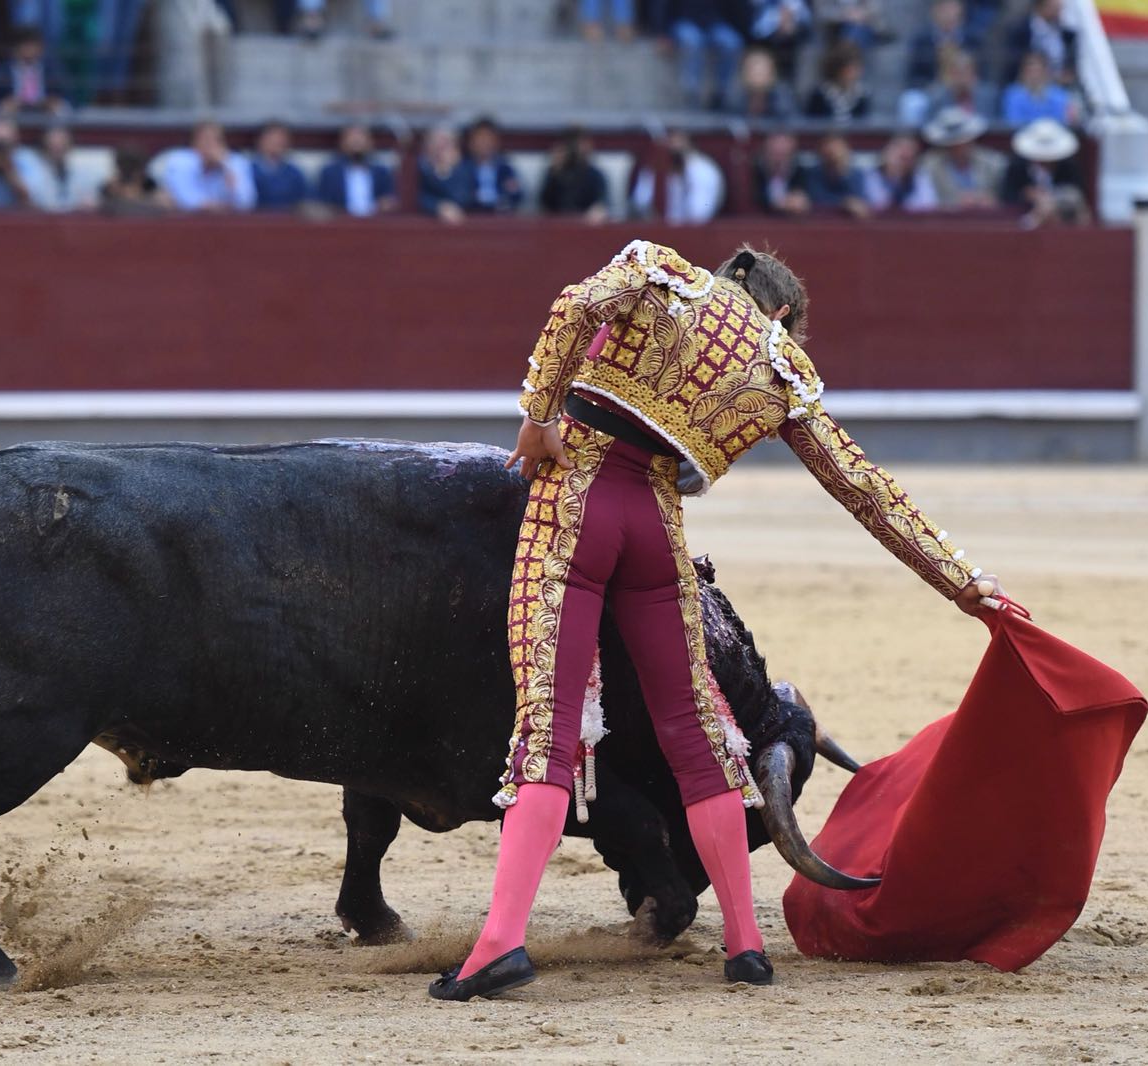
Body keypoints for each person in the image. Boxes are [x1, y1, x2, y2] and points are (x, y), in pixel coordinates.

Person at [429, 239, 1002, 1001]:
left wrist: (538, 418)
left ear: (734, 277)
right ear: (784, 311)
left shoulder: (660, 272)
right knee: (699, 737)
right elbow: (865, 489)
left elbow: (574, 306)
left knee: (549, 728)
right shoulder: (783, 369)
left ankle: (499, 945)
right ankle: (744, 942)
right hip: (656, 530)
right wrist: (963, 581)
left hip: (577, 500)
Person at [1000, 118, 1090, 227]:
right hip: (1023, 214)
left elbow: (1078, 194)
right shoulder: (1017, 168)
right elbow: (1006, 197)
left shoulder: (1068, 167)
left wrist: (1054, 200)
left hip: (1064, 218)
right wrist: (1027, 194)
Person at [629, 129, 724, 223]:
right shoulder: (653, 167)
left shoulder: (702, 169)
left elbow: (699, 213)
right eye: (669, 138)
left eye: (677, 138)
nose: (672, 143)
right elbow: (640, 201)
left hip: (690, 231)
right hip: (658, 229)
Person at [160, 120, 256, 213]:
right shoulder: (180, 161)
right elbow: (188, 202)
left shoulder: (235, 162)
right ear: (194, 143)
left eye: (216, 140)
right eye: (204, 140)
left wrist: (226, 167)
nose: (210, 145)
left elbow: (246, 202)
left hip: (229, 223)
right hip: (190, 223)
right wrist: (222, 207)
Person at [667, 0, 746, 110]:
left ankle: (720, 94)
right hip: (684, 21)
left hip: (714, 23)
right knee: (693, 41)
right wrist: (661, 32)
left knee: (732, 44)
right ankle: (691, 93)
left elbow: (736, 7)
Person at [920, 106, 1003, 210]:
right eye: (953, 144)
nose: (958, 146)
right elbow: (927, 202)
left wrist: (986, 200)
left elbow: (1001, 197)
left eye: (962, 142)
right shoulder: (930, 165)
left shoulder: (993, 162)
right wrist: (955, 202)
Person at [898, 46, 994, 126]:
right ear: (950, 75)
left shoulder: (987, 95)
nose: (962, 78)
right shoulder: (937, 96)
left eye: (965, 73)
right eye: (958, 73)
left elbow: (990, 124)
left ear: (974, 74)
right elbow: (932, 126)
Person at [316, 123, 396, 217]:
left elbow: (390, 198)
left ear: (370, 143)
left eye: (361, 138)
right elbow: (320, 202)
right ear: (342, 143)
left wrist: (386, 204)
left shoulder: (381, 172)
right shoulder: (330, 172)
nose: (356, 142)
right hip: (340, 223)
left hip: (375, 223)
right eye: (352, 138)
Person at [0, 25, 65, 112]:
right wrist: (4, 104)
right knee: (2, 121)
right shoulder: (1, 71)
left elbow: (68, 98)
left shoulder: (53, 70)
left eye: (33, 45)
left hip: (46, 114)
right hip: (13, 115)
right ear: (16, 47)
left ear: (41, 48)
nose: (30, 49)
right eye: (26, 45)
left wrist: (54, 102)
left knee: (59, 113)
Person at [538, 128, 608, 222]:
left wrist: (597, 209)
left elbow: (600, 202)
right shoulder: (553, 173)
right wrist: (556, 174)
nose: (581, 148)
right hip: (556, 223)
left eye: (584, 143)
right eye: (577, 144)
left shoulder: (594, 174)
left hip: (586, 222)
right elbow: (544, 204)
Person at [905, 0, 977, 88]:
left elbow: (980, 72)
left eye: (952, 8)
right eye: (944, 9)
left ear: (961, 10)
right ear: (935, 11)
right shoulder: (922, 41)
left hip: (966, 90)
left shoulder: (973, 39)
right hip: (929, 89)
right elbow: (914, 75)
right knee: (912, 99)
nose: (949, 14)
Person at [459, 117, 523, 215]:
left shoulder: (505, 168)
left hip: (500, 218)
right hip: (471, 218)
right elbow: (460, 196)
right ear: (471, 142)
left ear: (496, 142)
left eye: (488, 138)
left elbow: (517, 195)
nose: (484, 143)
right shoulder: (462, 168)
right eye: (480, 138)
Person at [29, 126, 97, 212]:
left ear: (69, 146)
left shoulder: (83, 172)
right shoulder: (33, 171)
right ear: (45, 146)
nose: (58, 150)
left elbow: (89, 201)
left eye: (62, 146)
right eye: (53, 146)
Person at [1004, 0, 1073, 85]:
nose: (1060, 12)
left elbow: (1070, 60)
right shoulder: (1020, 29)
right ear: (1041, 7)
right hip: (1026, 82)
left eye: (1060, 8)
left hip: (1059, 84)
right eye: (1055, 8)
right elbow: (1012, 57)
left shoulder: (1066, 33)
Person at [861, 133, 936, 212]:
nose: (905, 154)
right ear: (886, 151)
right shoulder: (867, 176)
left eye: (907, 157)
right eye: (899, 154)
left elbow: (929, 207)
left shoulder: (920, 178)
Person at [1001, 51, 1075, 127]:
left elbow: (1062, 122)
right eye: (1030, 71)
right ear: (1022, 72)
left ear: (1046, 72)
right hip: (1022, 135)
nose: (1034, 76)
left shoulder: (1059, 95)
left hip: (1054, 135)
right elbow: (1013, 122)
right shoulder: (1013, 95)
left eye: (1038, 70)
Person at [804, 132, 868, 217]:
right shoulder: (813, 175)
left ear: (847, 150)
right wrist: (843, 203)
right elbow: (817, 200)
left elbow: (861, 204)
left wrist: (843, 172)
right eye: (829, 148)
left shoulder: (857, 175)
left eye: (837, 147)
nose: (833, 152)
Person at [804, 39, 870, 121]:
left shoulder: (862, 96)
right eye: (849, 69)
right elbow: (810, 125)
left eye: (856, 68)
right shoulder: (819, 95)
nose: (854, 73)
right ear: (837, 69)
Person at [250, 121, 309, 213]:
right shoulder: (247, 170)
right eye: (271, 139)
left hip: (288, 223)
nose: (276, 144)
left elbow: (306, 200)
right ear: (259, 141)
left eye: (280, 140)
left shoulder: (294, 173)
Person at [746, 0, 810, 82]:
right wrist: (777, 24)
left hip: (794, 38)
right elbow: (757, 27)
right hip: (763, 39)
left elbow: (806, 17)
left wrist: (792, 20)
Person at [417, 126, 470, 224]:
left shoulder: (464, 170)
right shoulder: (420, 169)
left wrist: (447, 172)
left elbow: (462, 198)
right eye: (435, 143)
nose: (440, 148)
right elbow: (420, 198)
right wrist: (439, 207)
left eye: (445, 143)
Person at [726, 47, 795, 120]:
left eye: (763, 69)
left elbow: (793, 122)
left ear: (772, 72)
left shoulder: (782, 97)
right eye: (753, 69)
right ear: (744, 72)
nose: (758, 73)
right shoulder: (734, 98)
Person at [753, 130, 811, 215]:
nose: (779, 160)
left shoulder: (802, 175)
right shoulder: (753, 176)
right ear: (765, 154)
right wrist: (777, 204)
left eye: (784, 155)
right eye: (774, 154)